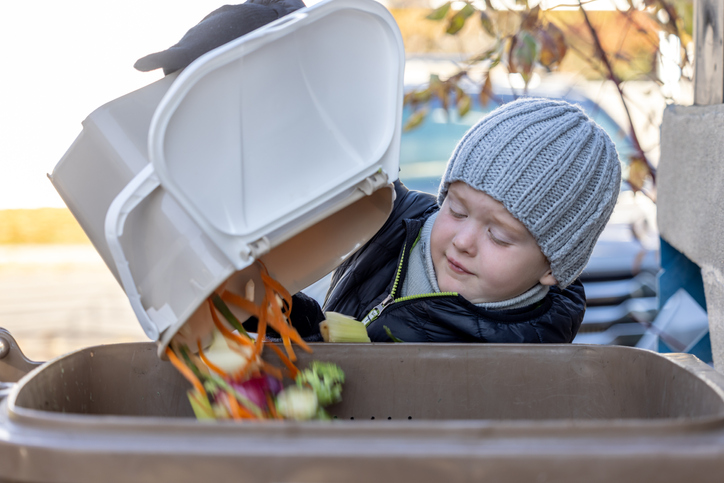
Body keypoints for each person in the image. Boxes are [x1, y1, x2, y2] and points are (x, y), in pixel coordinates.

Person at [287, 97, 621, 343]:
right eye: (456, 210)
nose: (463, 241)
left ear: (552, 268)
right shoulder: (391, 217)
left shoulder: (524, 358)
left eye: (500, 236)